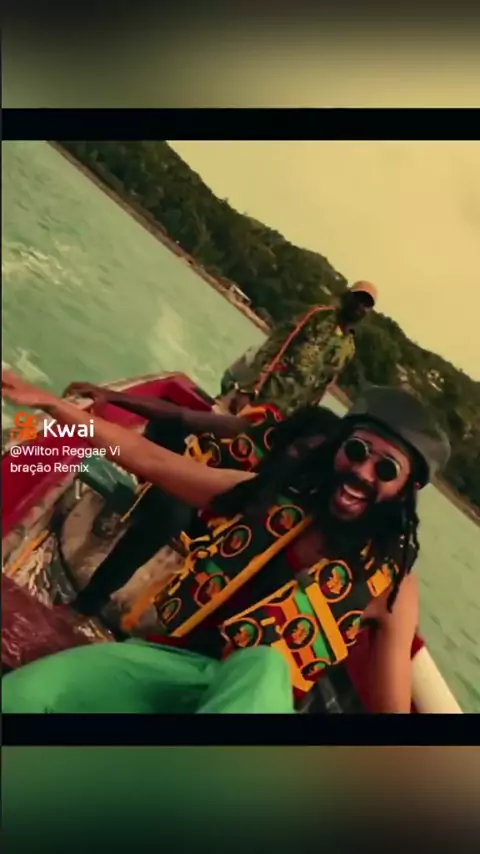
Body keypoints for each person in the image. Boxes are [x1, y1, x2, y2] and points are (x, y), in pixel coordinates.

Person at [1, 371, 450, 714]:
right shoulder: (265, 498)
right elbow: (150, 459)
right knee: (27, 696)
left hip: (258, 703)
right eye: (355, 451)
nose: (362, 472)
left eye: (386, 469)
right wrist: (53, 406)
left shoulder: (392, 588)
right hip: (174, 666)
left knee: (263, 664)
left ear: (407, 489)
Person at [58, 382, 340, 617]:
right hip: (190, 502)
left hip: (229, 541)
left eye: (308, 457)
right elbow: (182, 416)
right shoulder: (255, 430)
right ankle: (90, 600)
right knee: (172, 510)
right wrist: (112, 397)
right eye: (298, 448)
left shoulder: (307, 493)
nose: (296, 457)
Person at [220, 280, 377, 416]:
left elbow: (323, 387)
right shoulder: (318, 315)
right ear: (347, 296)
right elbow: (276, 344)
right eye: (358, 298)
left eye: (366, 304)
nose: (360, 306)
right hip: (265, 393)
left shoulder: (348, 348)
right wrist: (249, 388)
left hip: (288, 412)